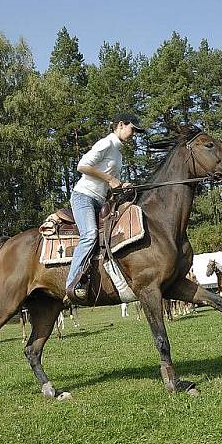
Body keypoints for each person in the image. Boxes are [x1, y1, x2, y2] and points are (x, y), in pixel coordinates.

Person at [65, 113, 145, 304]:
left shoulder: (118, 153)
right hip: (83, 197)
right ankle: (72, 283)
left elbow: (108, 181)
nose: (134, 134)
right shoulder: (106, 144)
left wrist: (121, 185)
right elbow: (82, 166)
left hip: (100, 201)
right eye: (132, 129)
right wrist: (110, 179)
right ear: (120, 125)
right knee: (90, 234)